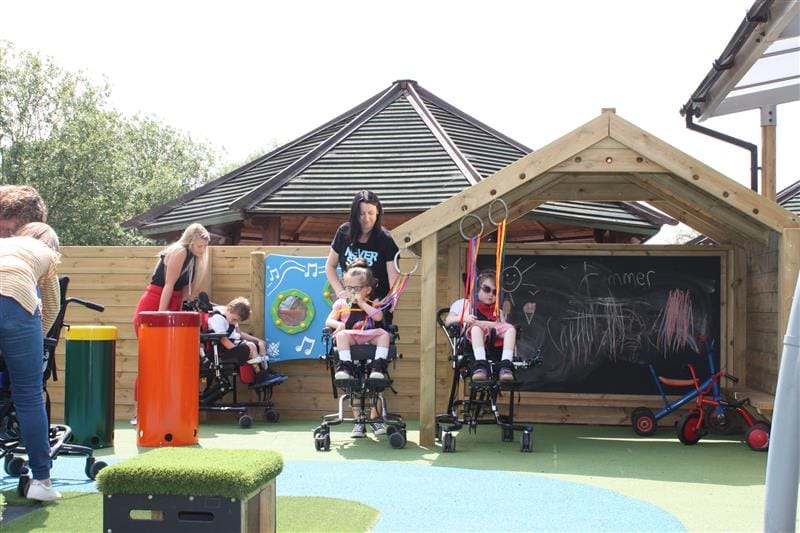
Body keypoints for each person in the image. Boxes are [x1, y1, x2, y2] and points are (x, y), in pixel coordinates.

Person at [0, 222, 62, 501]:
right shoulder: (46, 253)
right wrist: (35, 338)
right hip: (17, 301)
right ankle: (41, 482)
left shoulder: (5, 244)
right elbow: (51, 305)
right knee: (28, 396)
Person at [131, 223, 210, 423]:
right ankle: (138, 411)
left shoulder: (194, 260)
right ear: (191, 241)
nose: (202, 250)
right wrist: (160, 317)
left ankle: (164, 408)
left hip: (172, 306)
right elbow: (168, 285)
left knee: (168, 361)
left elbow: (184, 292)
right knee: (151, 360)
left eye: (204, 247)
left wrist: (180, 313)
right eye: (200, 246)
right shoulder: (180, 251)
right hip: (156, 303)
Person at [325, 259, 391, 438]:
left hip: (368, 339)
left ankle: (378, 368)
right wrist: (338, 325)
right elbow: (328, 321)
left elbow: (378, 318)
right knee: (353, 384)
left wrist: (362, 303)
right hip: (352, 339)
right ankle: (358, 422)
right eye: (349, 288)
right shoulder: (341, 304)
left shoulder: (371, 302)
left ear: (367, 289)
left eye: (356, 289)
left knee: (384, 336)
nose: (352, 292)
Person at [326, 190, 399, 316]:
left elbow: (394, 279)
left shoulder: (386, 239)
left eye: (370, 213)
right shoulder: (344, 232)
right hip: (349, 302)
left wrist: (391, 299)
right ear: (355, 215)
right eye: (361, 214)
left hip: (375, 303)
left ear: (377, 212)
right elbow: (330, 266)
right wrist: (340, 292)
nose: (366, 218)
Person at [446, 269, 517, 382]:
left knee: (511, 329)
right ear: (477, 289)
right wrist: (463, 318)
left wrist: (481, 323)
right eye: (487, 289)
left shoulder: (498, 311)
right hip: (471, 346)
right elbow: (448, 321)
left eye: (494, 292)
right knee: (475, 328)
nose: (490, 294)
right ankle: (480, 365)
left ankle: (505, 365)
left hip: (494, 347)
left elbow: (503, 326)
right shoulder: (464, 304)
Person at [207, 296, 274, 383]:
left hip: (233, 341)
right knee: (250, 346)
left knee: (257, 345)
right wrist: (240, 350)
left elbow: (239, 333)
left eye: (237, 321)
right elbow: (223, 340)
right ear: (228, 309)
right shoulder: (218, 318)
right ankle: (260, 375)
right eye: (234, 319)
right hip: (223, 347)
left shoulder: (231, 315)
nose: (235, 323)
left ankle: (266, 371)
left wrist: (259, 341)